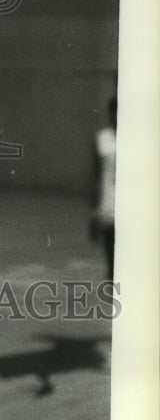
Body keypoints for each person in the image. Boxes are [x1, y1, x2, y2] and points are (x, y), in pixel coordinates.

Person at [90, 95, 117, 283]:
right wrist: (95, 212)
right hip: (110, 205)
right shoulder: (104, 139)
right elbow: (96, 176)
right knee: (111, 251)